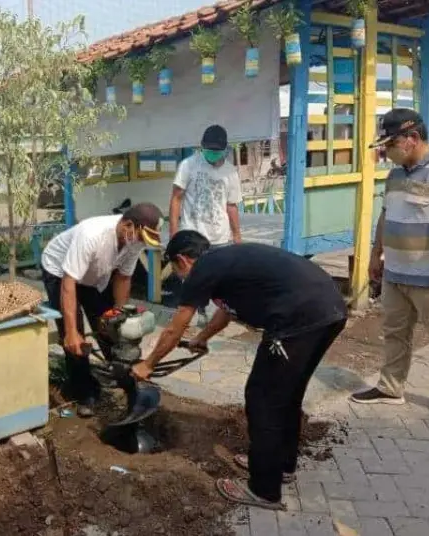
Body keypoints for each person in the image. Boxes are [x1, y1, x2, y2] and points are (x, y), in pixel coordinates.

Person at [132, 231, 347, 510]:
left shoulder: (203, 269)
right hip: (329, 309)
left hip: (298, 319)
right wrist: (203, 338)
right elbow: (227, 311)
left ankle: (264, 490)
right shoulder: (224, 263)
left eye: (174, 268)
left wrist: (147, 365)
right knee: (287, 395)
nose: (179, 276)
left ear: (182, 260)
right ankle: (279, 464)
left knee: (263, 399)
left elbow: (175, 327)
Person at [350, 109, 429, 426]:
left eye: (390, 143)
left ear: (413, 138)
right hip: (396, 274)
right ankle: (391, 388)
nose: (385, 151)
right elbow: (385, 215)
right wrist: (376, 255)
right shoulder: (396, 174)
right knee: (395, 333)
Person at [41, 203, 164, 417]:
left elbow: (124, 277)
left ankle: (126, 380)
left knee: (111, 327)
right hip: (60, 272)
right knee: (74, 337)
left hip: (95, 275)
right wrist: (71, 332)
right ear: (127, 225)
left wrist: (118, 314)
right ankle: (84, 393)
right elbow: (69, 284)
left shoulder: (134, 239)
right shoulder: (91, 235)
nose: (142, 243)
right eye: (142, 238)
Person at [169, 124, 243, 324]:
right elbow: (176, 198)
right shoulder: (188, 165)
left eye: (216, 151)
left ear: (225, 150)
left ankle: (212, 316)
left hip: (219, 236)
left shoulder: (231, 172)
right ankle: (191, 314)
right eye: (208, 151)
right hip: (192, 234)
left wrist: (237, 235)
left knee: (217, 278)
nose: (212, 154)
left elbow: (232, 205)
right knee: (190, 277)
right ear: (202, 148)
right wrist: (174, 232)